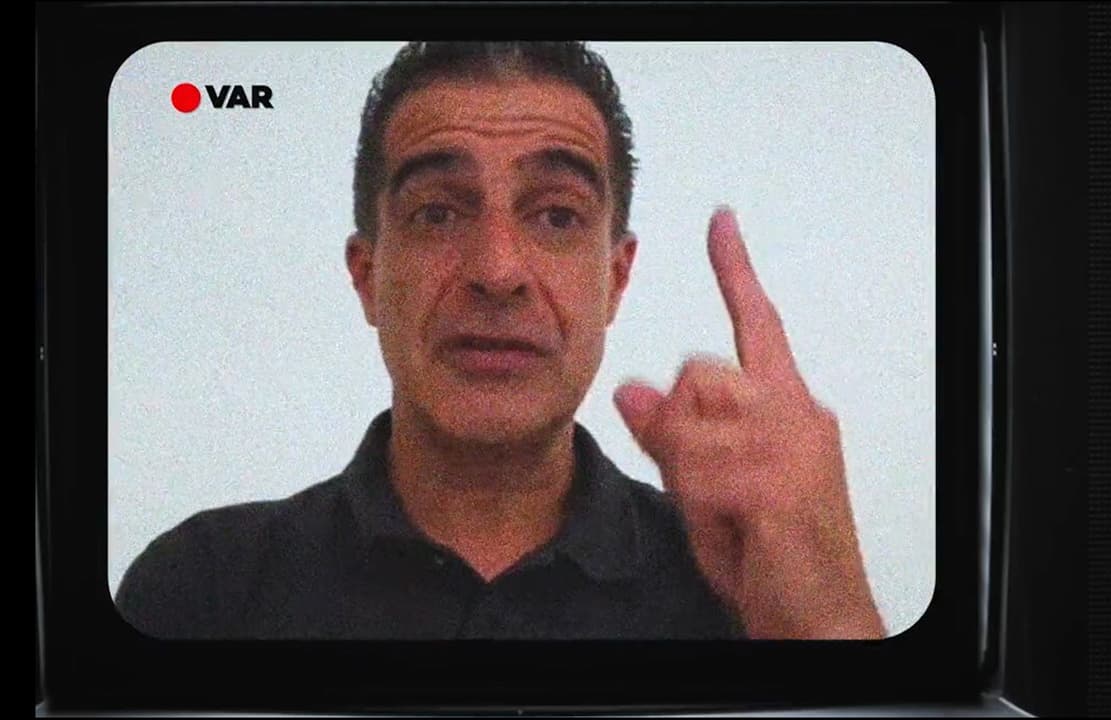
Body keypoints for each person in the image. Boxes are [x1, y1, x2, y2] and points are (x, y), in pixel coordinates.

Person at [115, 41, 886, 640]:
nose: (497, 270)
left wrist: (830, 621)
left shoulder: (741, 585)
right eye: (438, 213)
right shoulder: (202, 589)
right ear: (367, 275)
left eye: (556, 215)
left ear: (616, 279)